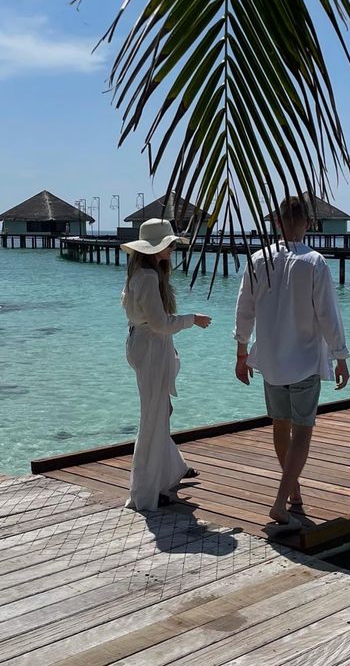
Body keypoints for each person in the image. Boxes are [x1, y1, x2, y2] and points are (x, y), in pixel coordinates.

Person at [234, 196, 350, 530]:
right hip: (305, 360)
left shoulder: (257, 259)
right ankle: (280, 501)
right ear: (308, 223)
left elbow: (244, 309)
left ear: (277, 223)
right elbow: (328, 314)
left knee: (280, 425)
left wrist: (241, 354)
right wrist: (340, 356)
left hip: (270, 361)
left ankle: (293, 489)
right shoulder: (314, 262)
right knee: (302, 430)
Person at [121, 218, 211, 511]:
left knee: (160, 412)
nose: (173, 248)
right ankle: (145, 491)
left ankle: (169, 472)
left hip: (145, 345)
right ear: (155, 248)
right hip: (150, 348)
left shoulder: (143, 272)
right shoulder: (147, 277)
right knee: (153, 418)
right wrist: (191, 320)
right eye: (169, 244)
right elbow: (159, 323)